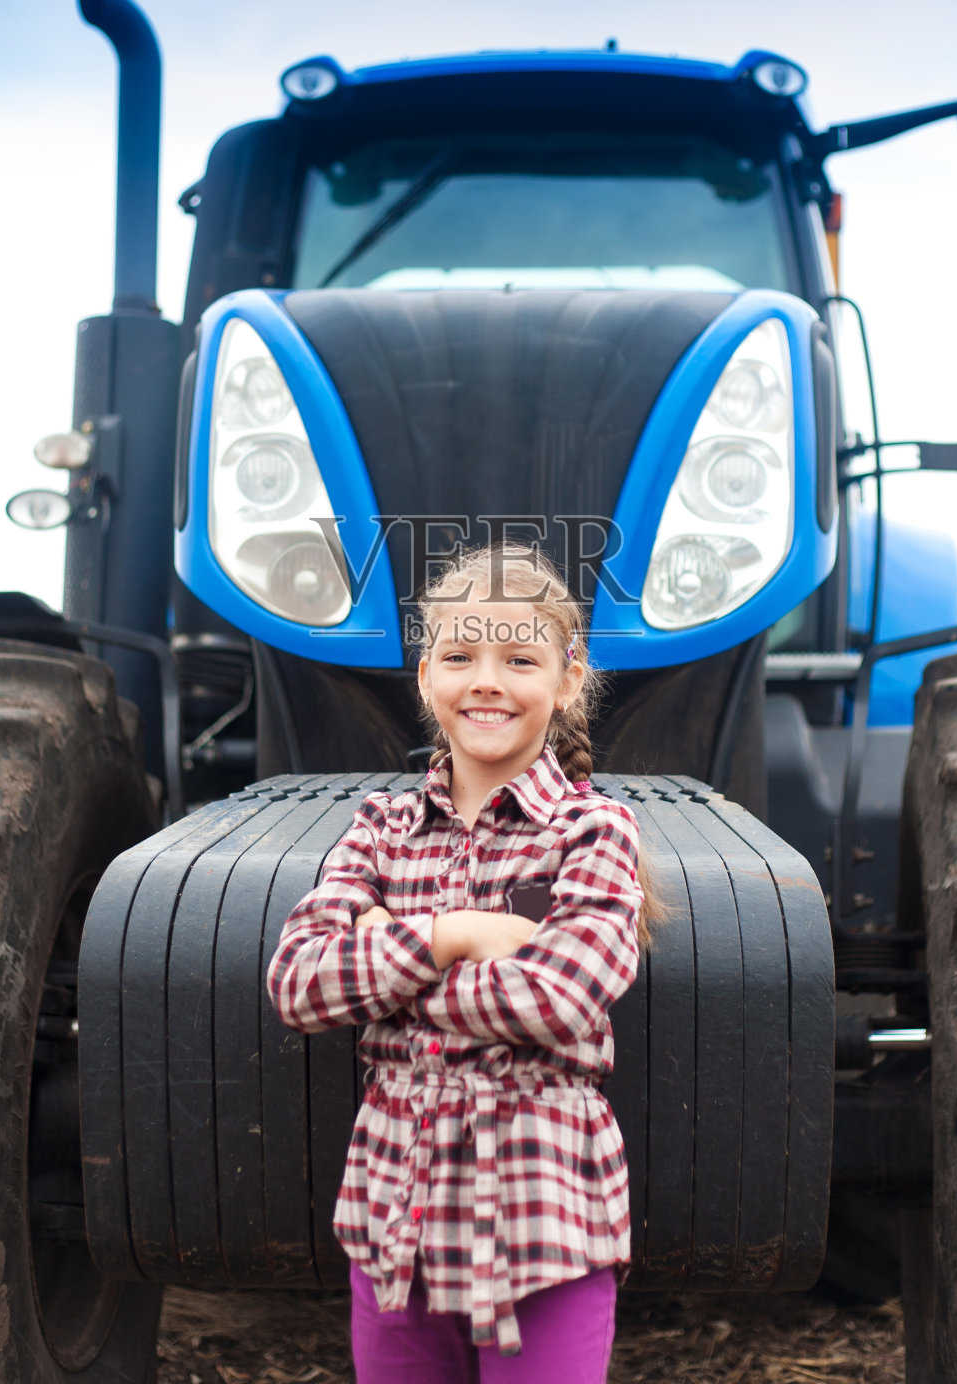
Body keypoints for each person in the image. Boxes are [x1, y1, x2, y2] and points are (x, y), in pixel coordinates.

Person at [267, 544, 660, 1384]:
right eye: (460, 656)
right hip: (393, 1219)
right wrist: (451, 936)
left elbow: (558, 999)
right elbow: (298, 983)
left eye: (519, 658)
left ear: (566, 677)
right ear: (424, 678)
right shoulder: (379, 825)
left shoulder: (594, 832)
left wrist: (383, 953)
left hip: (544, 1213)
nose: (487, 681)